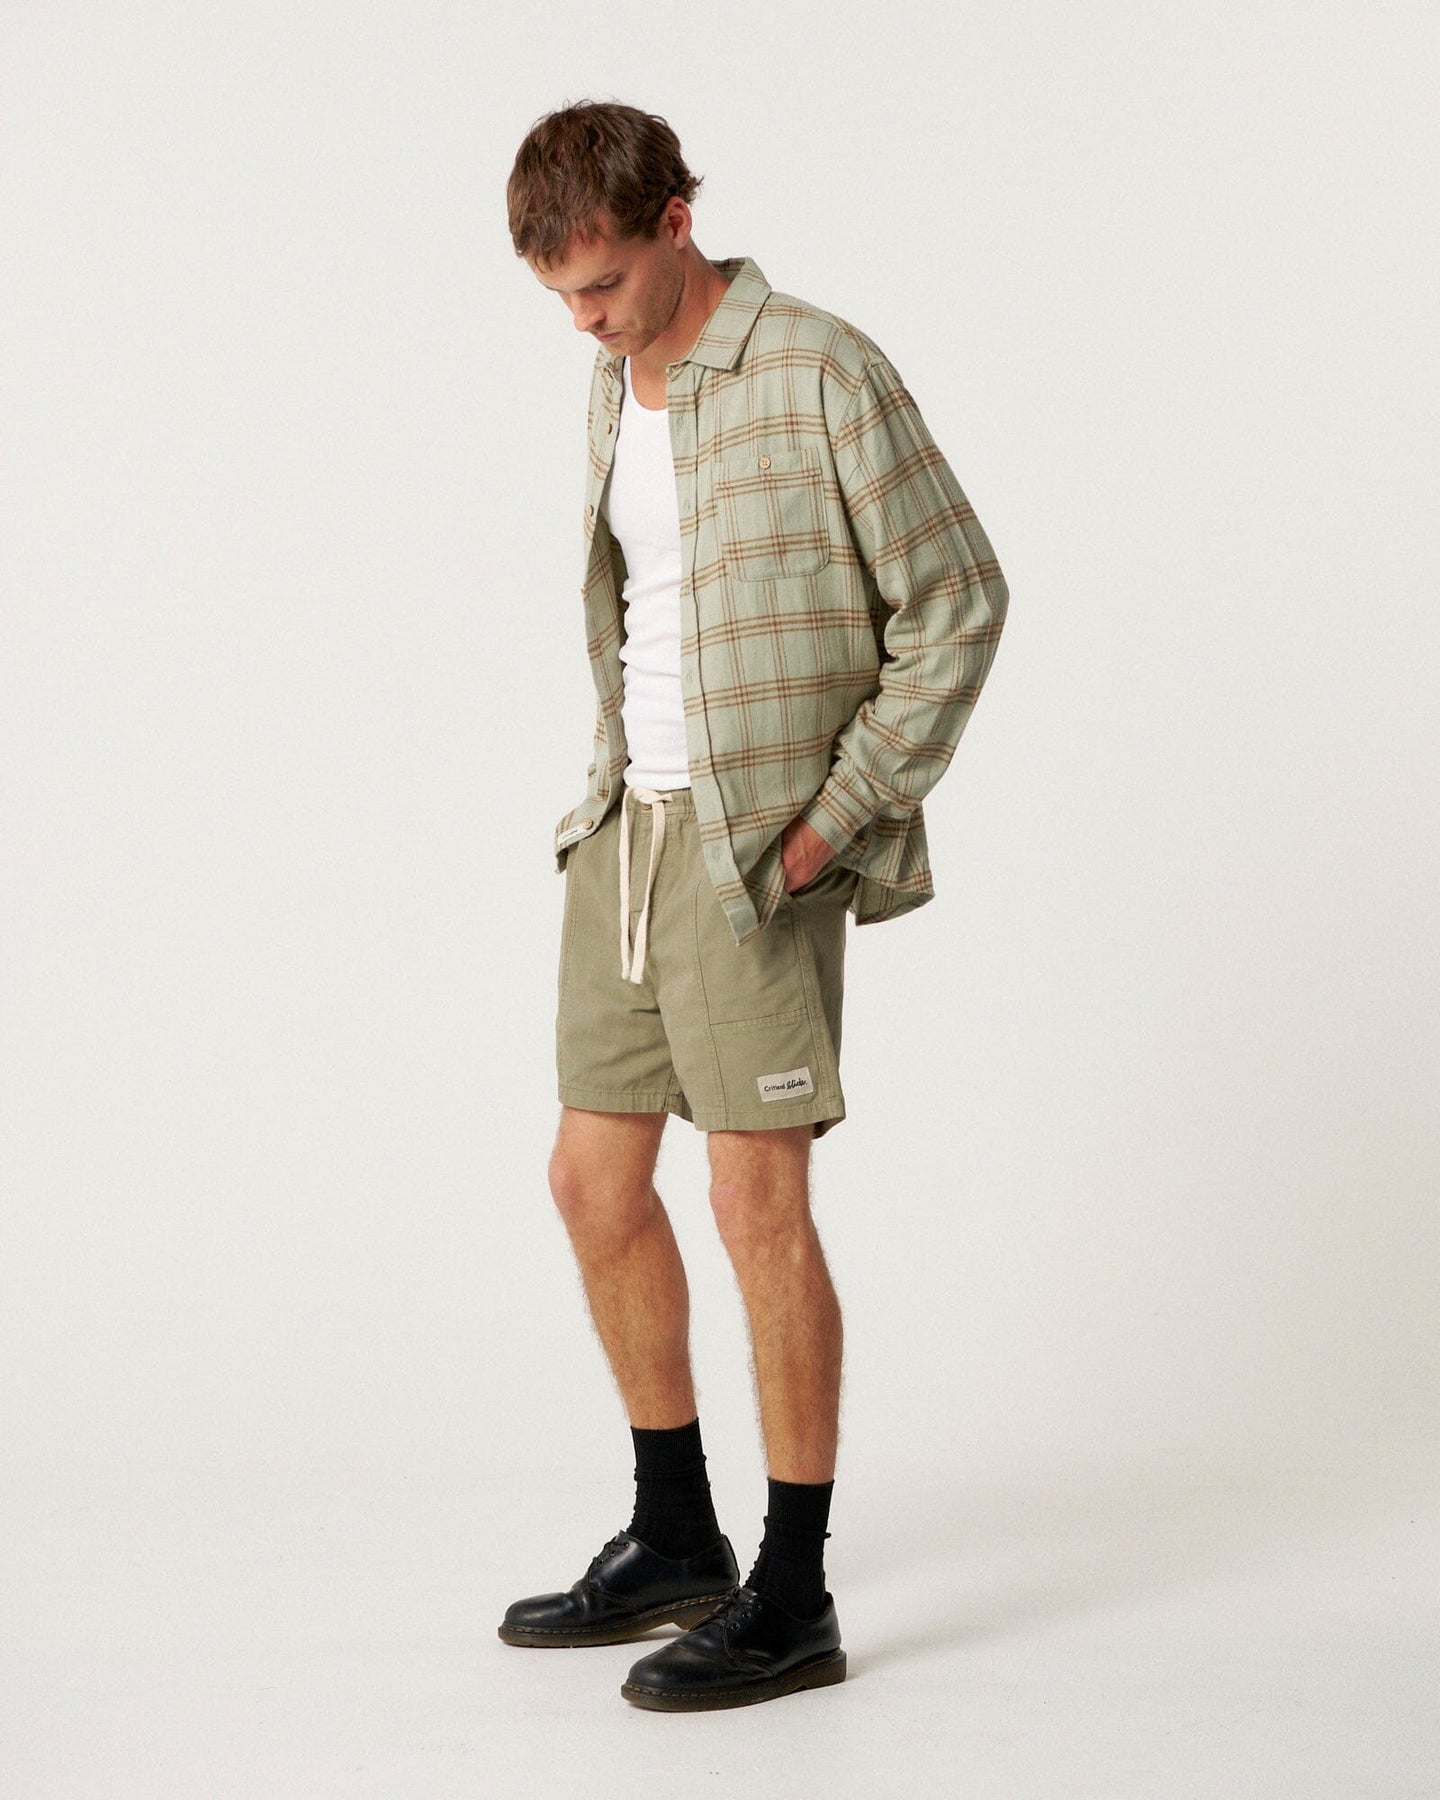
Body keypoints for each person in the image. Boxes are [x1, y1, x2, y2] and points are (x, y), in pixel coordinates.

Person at [498, 100, 1009, 1712]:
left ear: (677, 221)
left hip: (751, 855)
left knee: (754, 1208)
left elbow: (958, 600)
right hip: (624, 836)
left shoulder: (820, 369)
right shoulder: (613, 379)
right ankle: (677, 1535)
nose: (583, 323)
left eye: (601, 286)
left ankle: (794, 1594)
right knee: (592, 1182)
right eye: (560, 297)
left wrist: (828, 827)